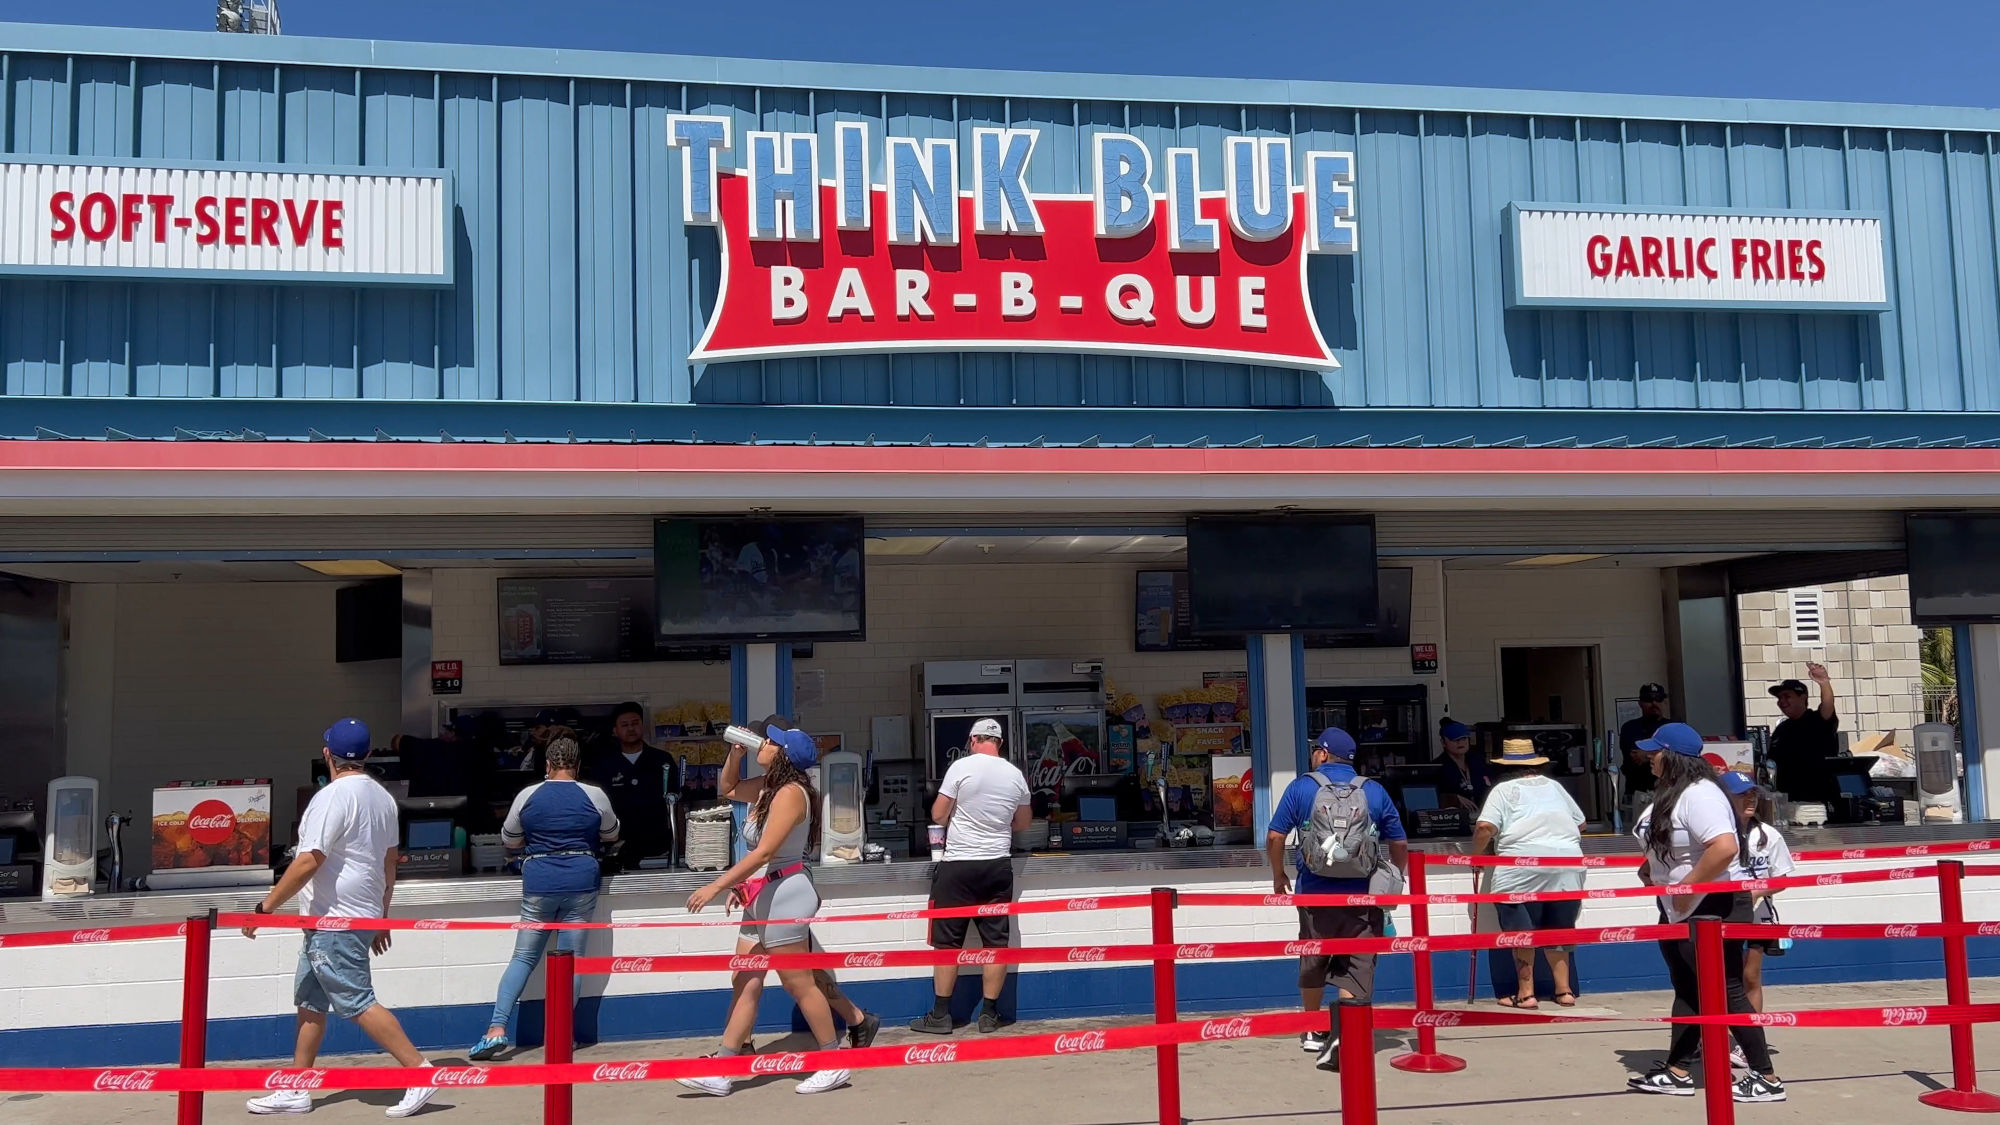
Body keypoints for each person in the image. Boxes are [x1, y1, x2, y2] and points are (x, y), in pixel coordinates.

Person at [242, 719, 438, 1118]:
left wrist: (264, 909)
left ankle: (421, 1071)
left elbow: (308, 861)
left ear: (328, 754)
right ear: (367, 755)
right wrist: (380, 914)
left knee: (356, 1000)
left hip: (337, 921)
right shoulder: (383, 799)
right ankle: (298, 1087)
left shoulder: (330, 798)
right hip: (351, 917)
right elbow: (389, 864)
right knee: (310, 1000)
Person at [677, 724, 873, 1097]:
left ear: (783, 755)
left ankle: (832, 1062)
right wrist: (735, 754)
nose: (762, 744)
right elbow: (728, 789)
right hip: (765, 893)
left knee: (798, 983)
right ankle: (724, 1067)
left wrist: (716, 885)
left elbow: (765, 853)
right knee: (746, 980)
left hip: (785, 893)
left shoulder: (790, 793)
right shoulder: (769, 787)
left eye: (770, 742)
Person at [1625, 722, 1785, 1104]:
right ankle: (1678, 1070)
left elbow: (1724, 847)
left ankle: (1766, 1077)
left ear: (1673, 756)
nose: (1649, 758)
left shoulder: (1701, 795)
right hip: (1679, 908)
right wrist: (1651, 867)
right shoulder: (1671, 794)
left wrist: (1687, 889)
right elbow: (1674, 842)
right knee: (1687, 988)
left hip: (1711, 909)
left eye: (1655, 752)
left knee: (1728, 990)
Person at [467, 736, 621, 1060]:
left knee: (523, 958)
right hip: (581, 879)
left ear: (547, 766)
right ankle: (561, 1037)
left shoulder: (528, 794)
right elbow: (611, 833)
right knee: (572, 961)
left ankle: (496, 1029)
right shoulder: (594, 795)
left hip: (539, 882)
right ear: (577, 766)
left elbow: (509, 839)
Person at [1265, 727, 1408, 1071]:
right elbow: (1399, 842)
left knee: (1314, 959)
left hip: (1313, 895)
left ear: (1324, 754)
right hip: (1362, 899)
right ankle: (1344, 1036)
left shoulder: (1302, 787)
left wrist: (1279, 874)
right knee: (1356, 967)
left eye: (1315, 749)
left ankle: (1312, 1030)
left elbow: (1275, 836)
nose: (1313, 754)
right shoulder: (1372, 791)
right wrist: (1395, 877)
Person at [910, 717, 1032, 1036]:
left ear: (972, 740)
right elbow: (1022, 822)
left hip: (958, 866)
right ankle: (989, 1015)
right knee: (995, 943)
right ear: (999, 743)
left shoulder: (961, 768)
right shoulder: (1015, 775)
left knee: (948, 944)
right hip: (997, 866)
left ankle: (940, 1016)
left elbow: (938, 814)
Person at [1474, 738, 1586, 1009]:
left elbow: (1485, 828)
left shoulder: (1503, 790)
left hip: (1520, 868)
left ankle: (1526, 994)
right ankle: (1564, 991)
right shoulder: (1555, 787)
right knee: (1560, 928)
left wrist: (1476, 857)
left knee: (1521, 930)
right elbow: (1580, 824)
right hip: (1567, 866)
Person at [1723, 770, 1795, 1014]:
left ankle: (1750, 1038)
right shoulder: (1717, 837)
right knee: (1722, 978)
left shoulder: (1768, 835)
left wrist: (1752, 894)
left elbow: (1782, 880)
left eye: (1753, 794)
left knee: (1750, 975)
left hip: (1757, 915)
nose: (1750, 799)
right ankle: (1715, 1038)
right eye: (1742, 795)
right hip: (1723, 914)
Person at [581, 702, 676, 871]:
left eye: (635, 723)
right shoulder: (604, 765)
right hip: (618, 846)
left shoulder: (662, 760)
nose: (631, 729)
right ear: (615, 730)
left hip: (658, 846)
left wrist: (680, 843)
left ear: (643, 726)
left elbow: (677, 803)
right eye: (624, 725)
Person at [1767, 664, 1841, 800]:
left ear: (1803, 697)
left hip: (1818, 800)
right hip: (1787, 800)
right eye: (1779, 698)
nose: (1781, 701)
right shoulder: (1782, 728)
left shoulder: (1817, 720)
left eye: (1787, 696)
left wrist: (1824, 683)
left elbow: (1828, 704)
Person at [1620, 683, 1671, 817]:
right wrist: (1663, 752)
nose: (1654, 703)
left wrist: (1647, 753)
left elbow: (1680, 756)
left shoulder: (1673, 727)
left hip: (1667, 792)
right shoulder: (1630, 727)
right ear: (1640, 703)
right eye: (1649, 700)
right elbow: (1636, 757)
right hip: (1638, 792)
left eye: (1658, 699)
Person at [1434, 720, 1492, 814]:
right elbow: (1433, 797)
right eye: (1455, 739)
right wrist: (1452, 798)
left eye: (1464, 738)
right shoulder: (1438, 767)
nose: (1460, 743)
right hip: (1456, 818)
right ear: (1443, 742)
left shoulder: (1478, 762)